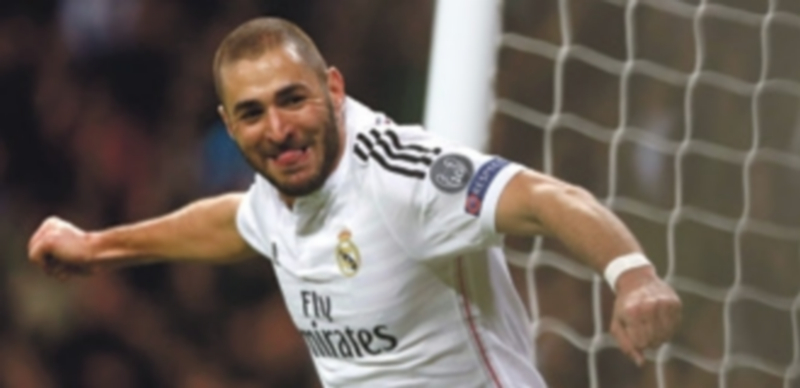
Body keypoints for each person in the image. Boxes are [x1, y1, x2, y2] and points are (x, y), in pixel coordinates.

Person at [28, 17, 682, 387]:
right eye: (253, 113)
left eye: (293, 99)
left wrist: (631, 275)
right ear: (229, 125)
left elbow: (544, 197)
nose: (278, 129)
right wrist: (98, 247)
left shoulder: (403, 178)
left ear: (333, 89)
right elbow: (239, 221)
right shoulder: (279, 186)